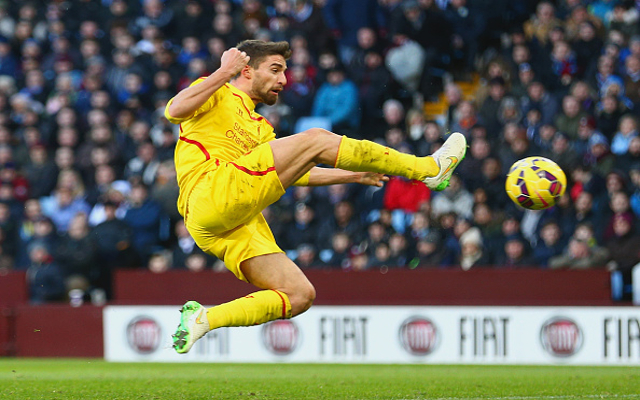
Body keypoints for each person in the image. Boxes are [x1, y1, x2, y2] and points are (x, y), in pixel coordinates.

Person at [163, 40, 466, 354]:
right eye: (276, 70)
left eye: (286, 72)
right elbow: (174, 110)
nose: (284, 80)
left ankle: (204, 318)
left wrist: (351, 175)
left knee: (299, 294)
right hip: (210, 189)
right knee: (317, 138)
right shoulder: (217, 90)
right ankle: (427, 168)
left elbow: (297, 173)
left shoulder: (262, 130)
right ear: (247, 70)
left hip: (226, 220)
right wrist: (223, 72)